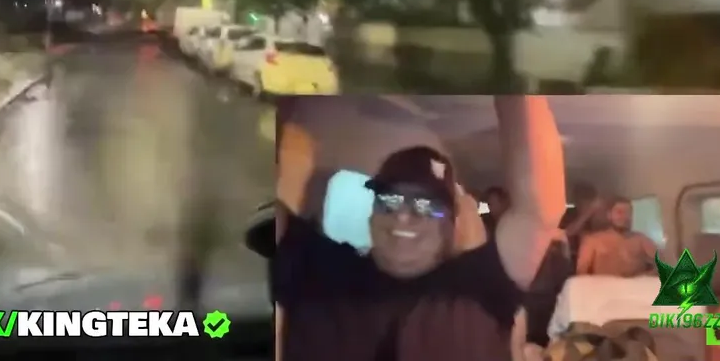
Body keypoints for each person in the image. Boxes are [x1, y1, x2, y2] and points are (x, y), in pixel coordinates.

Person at [275, 96, 567, 361]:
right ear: (372, 213)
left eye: (425, 206)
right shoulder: (320, 269)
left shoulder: (480, 287)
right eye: (389, 201)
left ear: (450, 225)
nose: (403, 217)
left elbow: (541, 209)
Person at [575, 197, 657, 277]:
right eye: (619, 212)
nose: (625, 217)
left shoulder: (642, 240)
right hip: (604, 285)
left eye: (628, 213)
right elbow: (581, 273)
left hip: (635, 285)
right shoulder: (592, 240)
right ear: (609, 215)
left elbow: (661, 265)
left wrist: (643, 279)